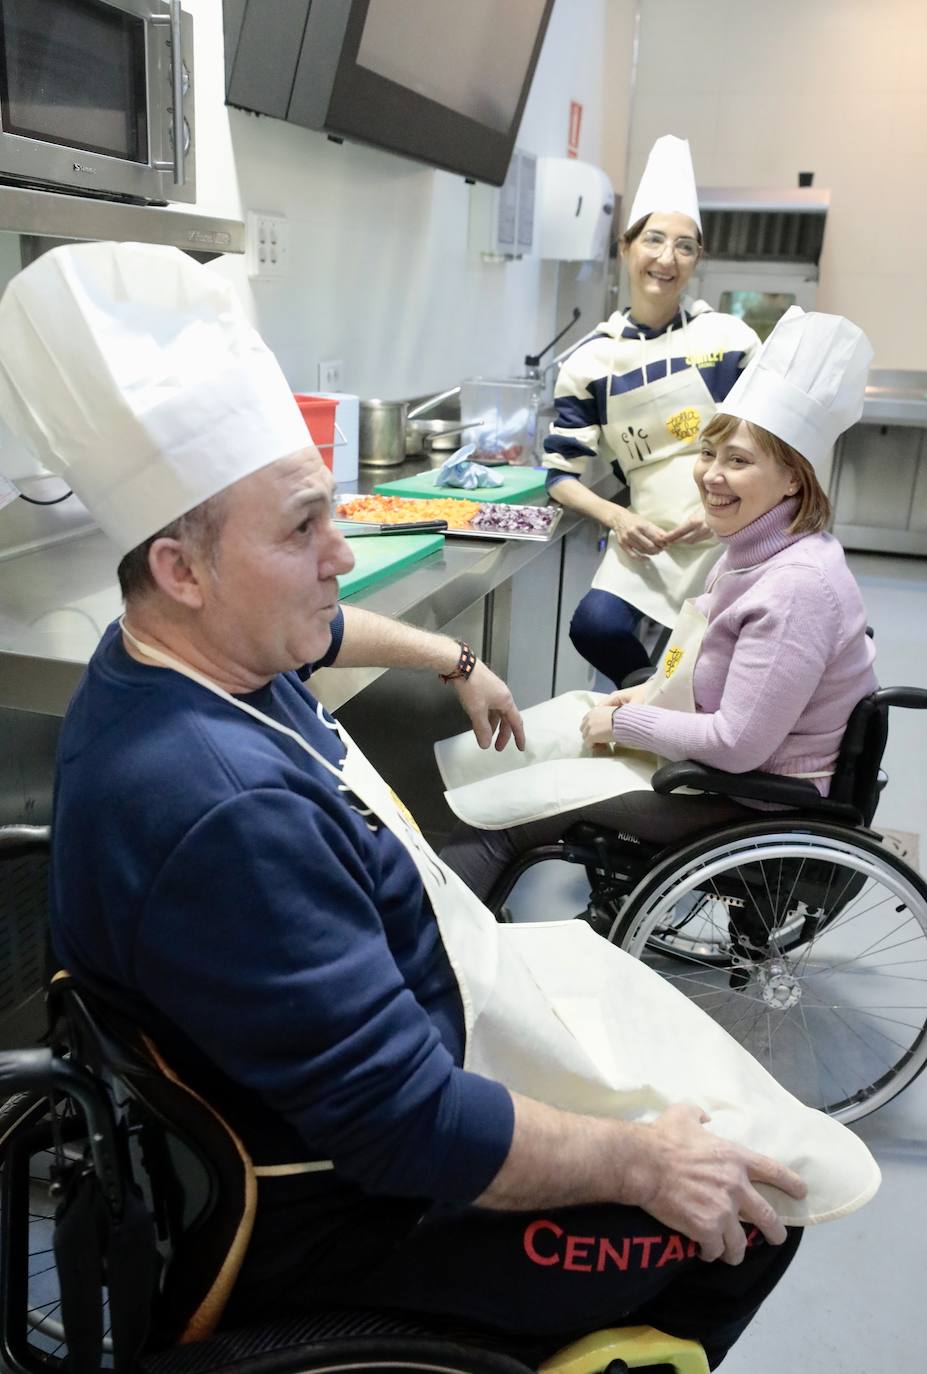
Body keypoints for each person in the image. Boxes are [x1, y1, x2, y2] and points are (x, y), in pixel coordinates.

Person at [3, 245, 881, 1373]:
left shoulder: (181, 653)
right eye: (304, 529)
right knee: (752, 1214)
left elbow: (325, 632)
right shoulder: (220, 814)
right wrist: (643, 1165)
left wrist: (451, 656)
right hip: (336, 1215)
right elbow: (406, 1125)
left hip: (361, 1064)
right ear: (182, 568)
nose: (342, 557)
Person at [439, 308, 878, 906]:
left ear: (794, 480)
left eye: (739, 461)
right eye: (708, 453)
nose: (712, 477)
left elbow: (738, 744)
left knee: (515, 810)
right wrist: (643, 697)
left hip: (750, 795)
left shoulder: (796, 586)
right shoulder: (754, 549)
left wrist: (626, 723)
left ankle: (428, 955)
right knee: (529, 741)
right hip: (730, 772)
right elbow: (718, 673)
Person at [544, 136, 761, 686]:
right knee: (594, 625)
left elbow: (772, 449)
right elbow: (559, 477)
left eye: (685, 246)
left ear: (697, 260)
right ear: (626, 247)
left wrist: (717, 515)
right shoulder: (591, 361)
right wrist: (618, 518)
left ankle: (668, 723)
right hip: (647, 536)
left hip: (729, 535)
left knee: (701, 658)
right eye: (655, 240)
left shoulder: (730, 340)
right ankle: (650, 705)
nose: (667, 259)